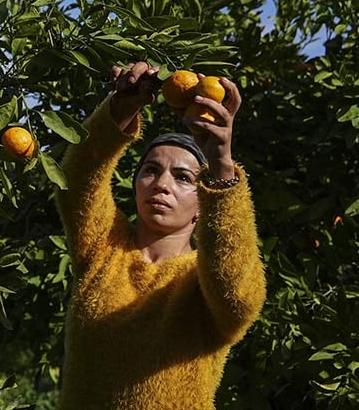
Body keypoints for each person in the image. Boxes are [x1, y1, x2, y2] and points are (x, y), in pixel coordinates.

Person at [55, 62, 267, 409]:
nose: (162, 184)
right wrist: (122, 107)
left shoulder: (202, 283)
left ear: (204, 203)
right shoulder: (104, 249)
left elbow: (238, 294)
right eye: (151, 170)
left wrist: (221, 169)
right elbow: (76, 184)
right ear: (136, 185)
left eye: (183, 177)